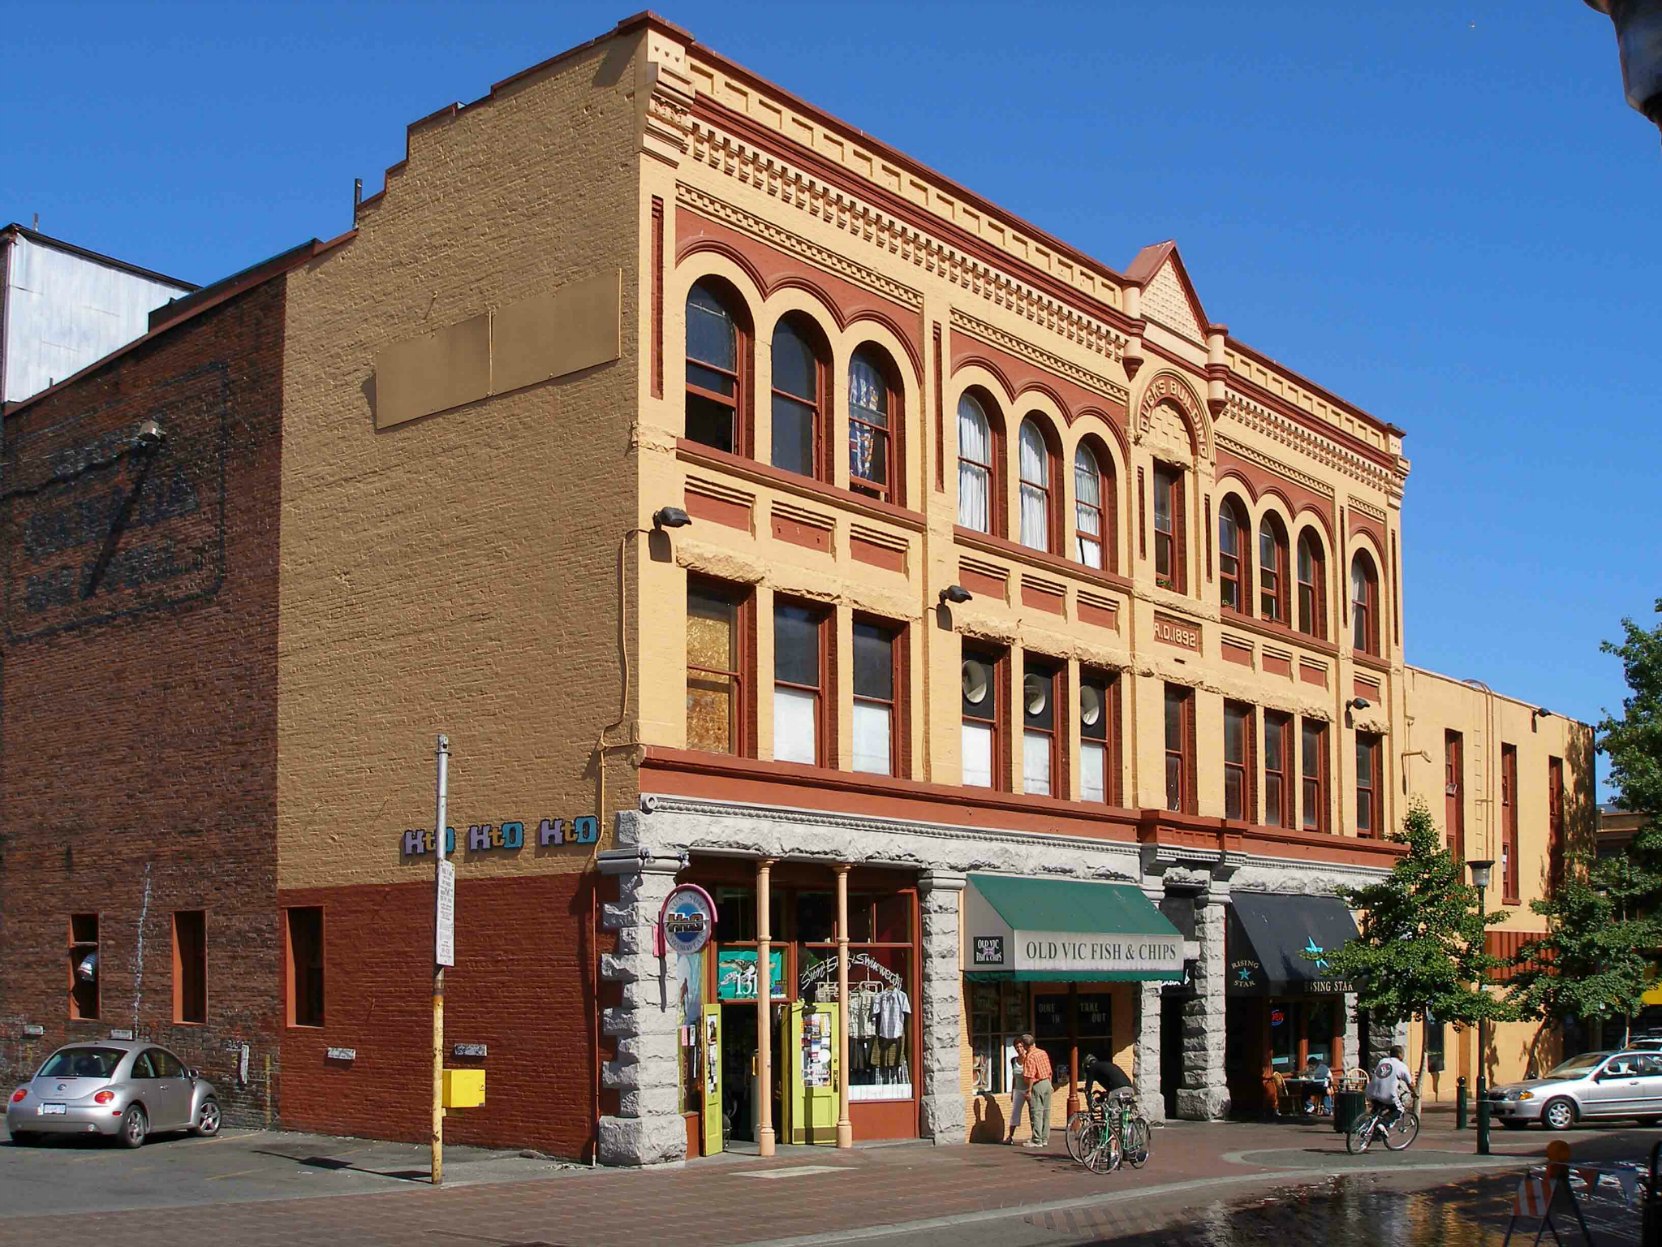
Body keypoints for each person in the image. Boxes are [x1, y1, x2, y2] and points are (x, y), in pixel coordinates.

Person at [1017, 1034, 1054, 1147]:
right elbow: (1049, 1070)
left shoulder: (1030, 1056)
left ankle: (1037, 1139)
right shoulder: (1042, 1052)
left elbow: (1030, 1076)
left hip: (1037, 1084)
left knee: (1037, 1112)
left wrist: (1028, 1090)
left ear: (1024, 1045)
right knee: (1046, 1112)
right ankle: (1044, 1138)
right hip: (1047, 1082)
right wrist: (1050, 1084)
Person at [1366, 1045, 1413, 1124]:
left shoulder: (1382, 1061)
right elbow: (1410, 1084)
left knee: (1377, 1110)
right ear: (1400, 1055)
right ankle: (1383, 1124)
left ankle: (1368, 1126)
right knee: (1399, 1110)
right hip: (1387, 1096)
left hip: (1371, 1092)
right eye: (1403, 1054)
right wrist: (1415, 1093)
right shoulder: (1402, 1066)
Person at [1003, 1052, 1028, 1144]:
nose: (1019, 1049)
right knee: (1015, 1113)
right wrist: (1012, 1091)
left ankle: (1036, 1136)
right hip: (1018, 1089)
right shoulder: (1014, 1060)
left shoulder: (1029, 1059)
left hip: (1028, 1089)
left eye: (1021, 1046)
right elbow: (1014, 1077)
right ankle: (1010, 1136)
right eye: (1017, 1047)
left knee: (1033, 1113)